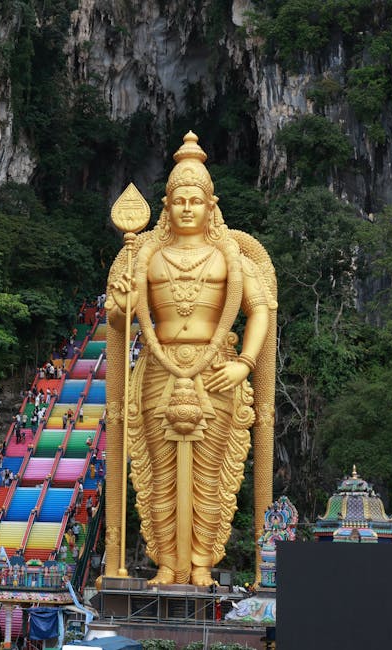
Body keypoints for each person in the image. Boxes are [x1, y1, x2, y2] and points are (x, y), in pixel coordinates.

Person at [103, 132, 276, 586]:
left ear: (210, 205)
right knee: (158, 473)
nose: (185, 208)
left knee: (211, 472)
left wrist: (245, 362)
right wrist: (120, 305)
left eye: (194, 200)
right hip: (159, 369)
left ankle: (201, 563)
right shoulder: (146, 255)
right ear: (165, 205)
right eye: (178, 199)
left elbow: (260, 310)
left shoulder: (230, 257)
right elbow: (120, 324)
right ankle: (165, 563)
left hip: (216, 369)